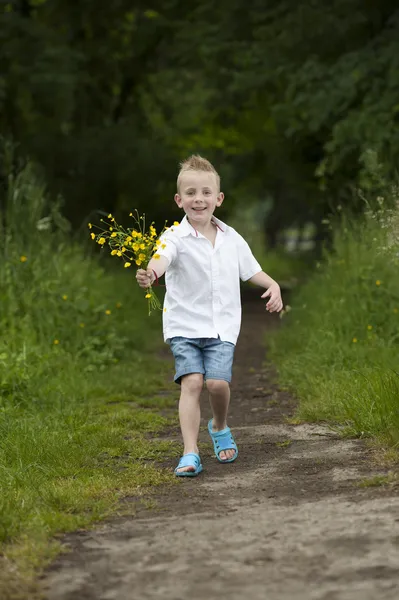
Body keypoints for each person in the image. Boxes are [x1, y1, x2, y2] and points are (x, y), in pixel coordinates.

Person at [136, 155, 283, 477]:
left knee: (216, 384)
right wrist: (151, 273)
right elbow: (161, 260)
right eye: (190, 193)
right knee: (192, 382)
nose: (198, 199)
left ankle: (219, 425)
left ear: (218, 199)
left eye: (205, 192)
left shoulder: (232, 239)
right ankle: (190, 452)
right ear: (179, 200)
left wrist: (273, 285)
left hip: (222, 326)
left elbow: (251, 270)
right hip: (183, 325)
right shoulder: (173, 237)